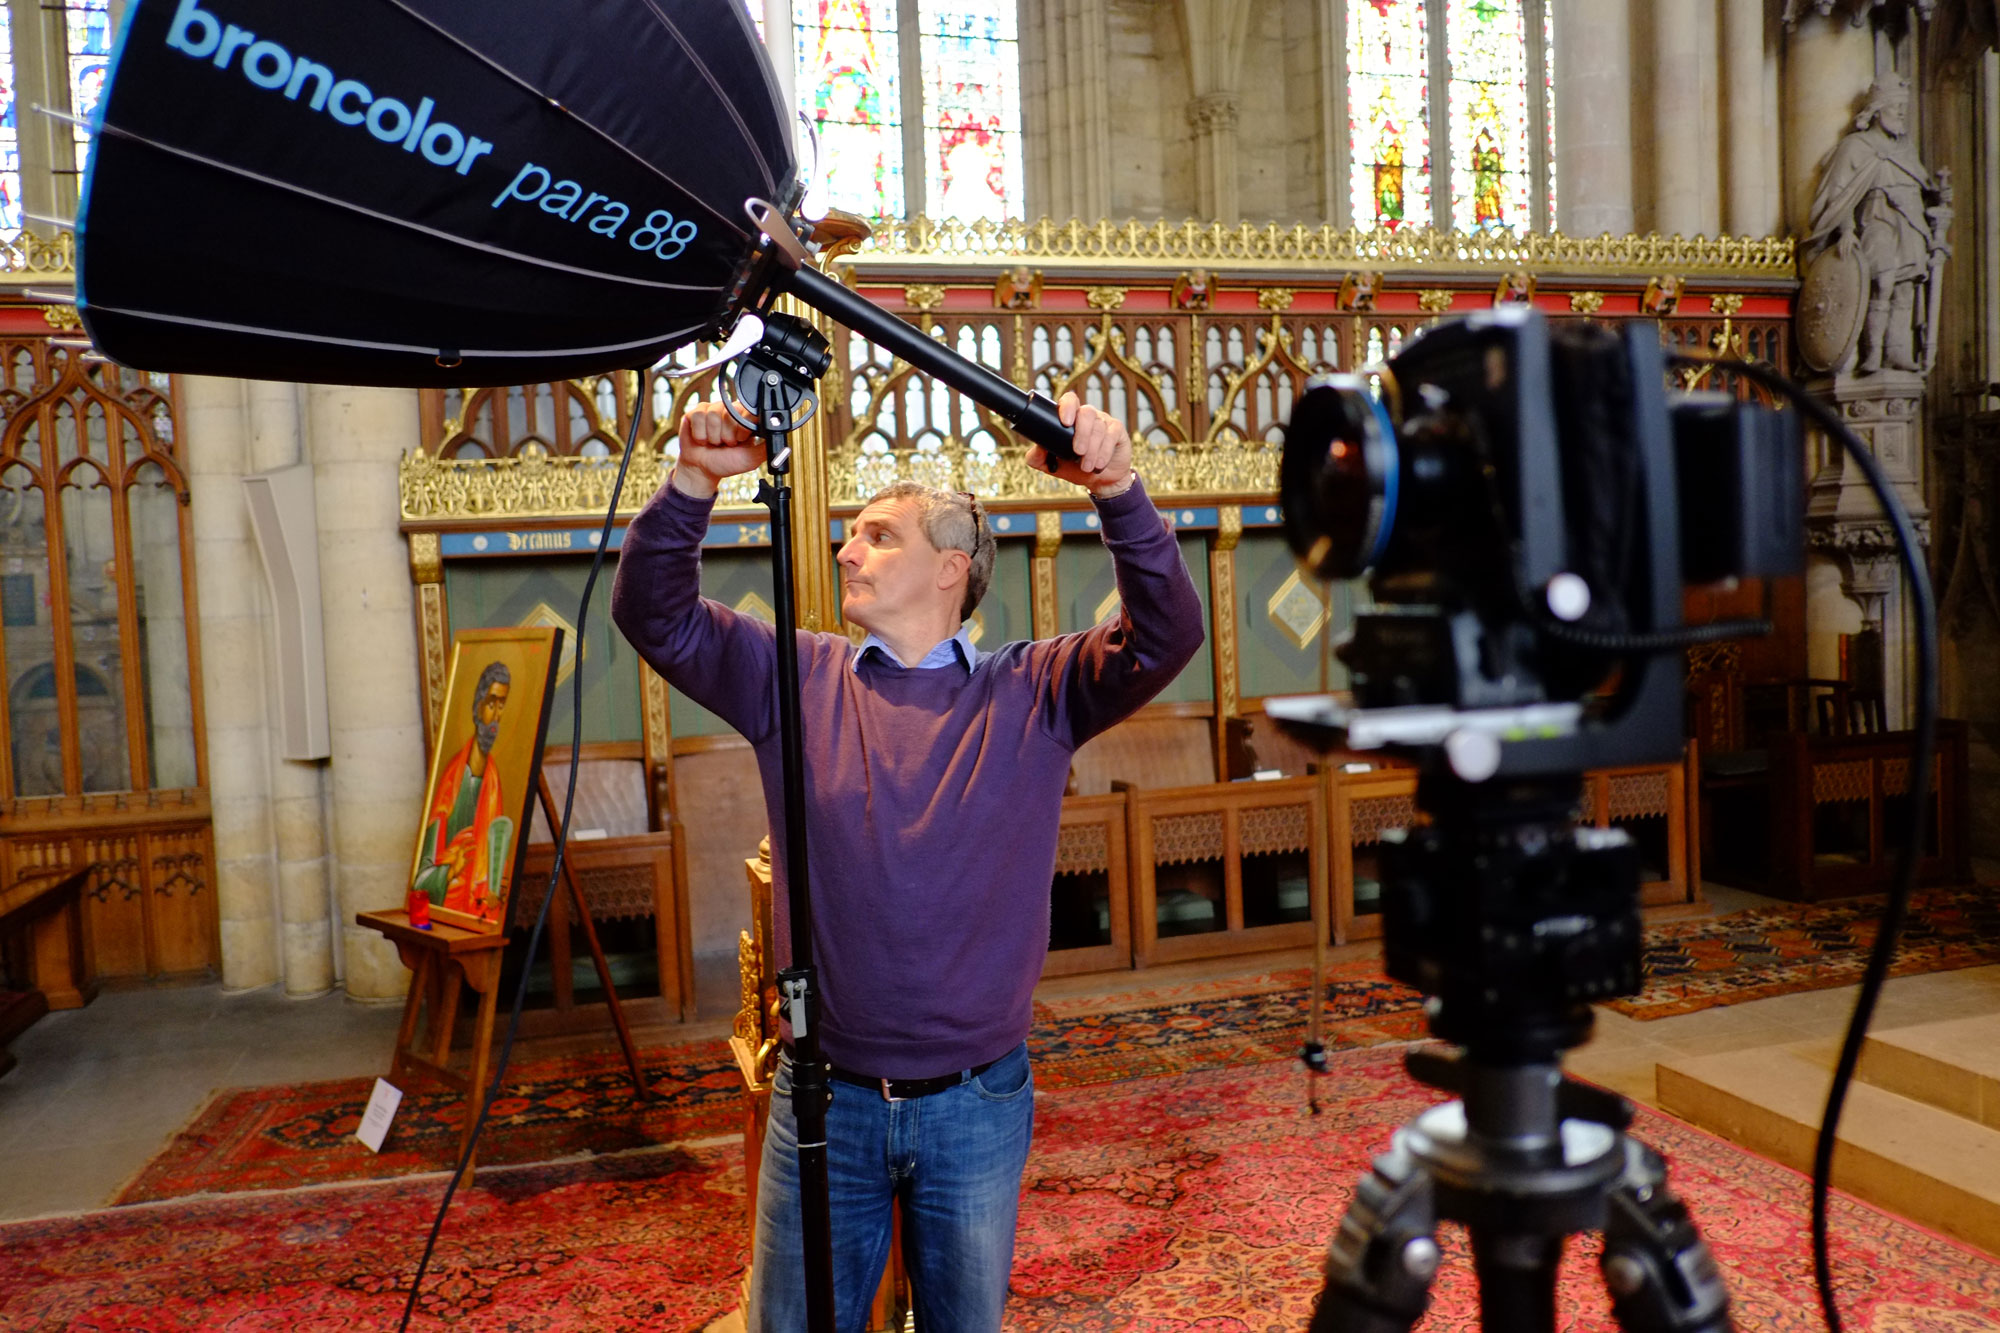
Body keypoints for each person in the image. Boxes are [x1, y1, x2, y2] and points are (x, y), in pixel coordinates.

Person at [610, 393, 1203, 1332]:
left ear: (950, 570)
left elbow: (1167, 638)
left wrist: (1119, 488)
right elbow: (656, 617)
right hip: (826, 1095)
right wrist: (690, 482)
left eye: (879, 536)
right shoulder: (795, 678)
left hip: (975, 1099)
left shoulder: (1034, 689)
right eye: (850, 536)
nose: (847, 551)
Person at [412, 660, 515, 923]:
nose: (496, 716)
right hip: (447, 911)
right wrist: (448, 871)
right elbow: (421, 877)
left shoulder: (494, 781)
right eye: (491, 703)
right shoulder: (451, 780)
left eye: (502, 705)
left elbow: (497, 857)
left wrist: (495, 887)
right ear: (477, 706)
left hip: (480, 911)